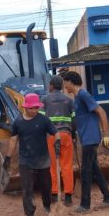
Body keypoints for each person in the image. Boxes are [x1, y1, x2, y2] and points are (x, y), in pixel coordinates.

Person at [4, 93, 62, 216]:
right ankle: (30, 215)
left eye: (36, 108)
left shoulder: (44, 120)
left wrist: (57, 142)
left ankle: (47, 207)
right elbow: (13, 140)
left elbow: (56, 133)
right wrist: (8, 157)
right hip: (26, 161)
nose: (34, 111)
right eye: (32, 108)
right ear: (25, 108)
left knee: (46, 186)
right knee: (27, 189)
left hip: (43, 160)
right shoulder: (18, 122)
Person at [61, 71, 109, 214]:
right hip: (86, 138)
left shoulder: (83, 95)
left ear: (70, 82)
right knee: (95, 169)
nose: (64, 85)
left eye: (65, 82)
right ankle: (108, 198)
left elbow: (101, 112)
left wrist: (106, 135)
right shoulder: (77, 98)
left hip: (91, 139)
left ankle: (85, 205)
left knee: (86, 171)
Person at [40, 75, 75, 207]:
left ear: (52, 86)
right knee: (66, 166)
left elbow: (42, 120)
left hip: (52, 137)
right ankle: (68, 197)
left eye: (49, 84)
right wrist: (74, 134)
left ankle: (54, 195)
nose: (48, 87)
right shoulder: (69, 100)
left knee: (53, 166)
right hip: (66, 135)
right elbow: (74, 119)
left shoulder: (45, 100)